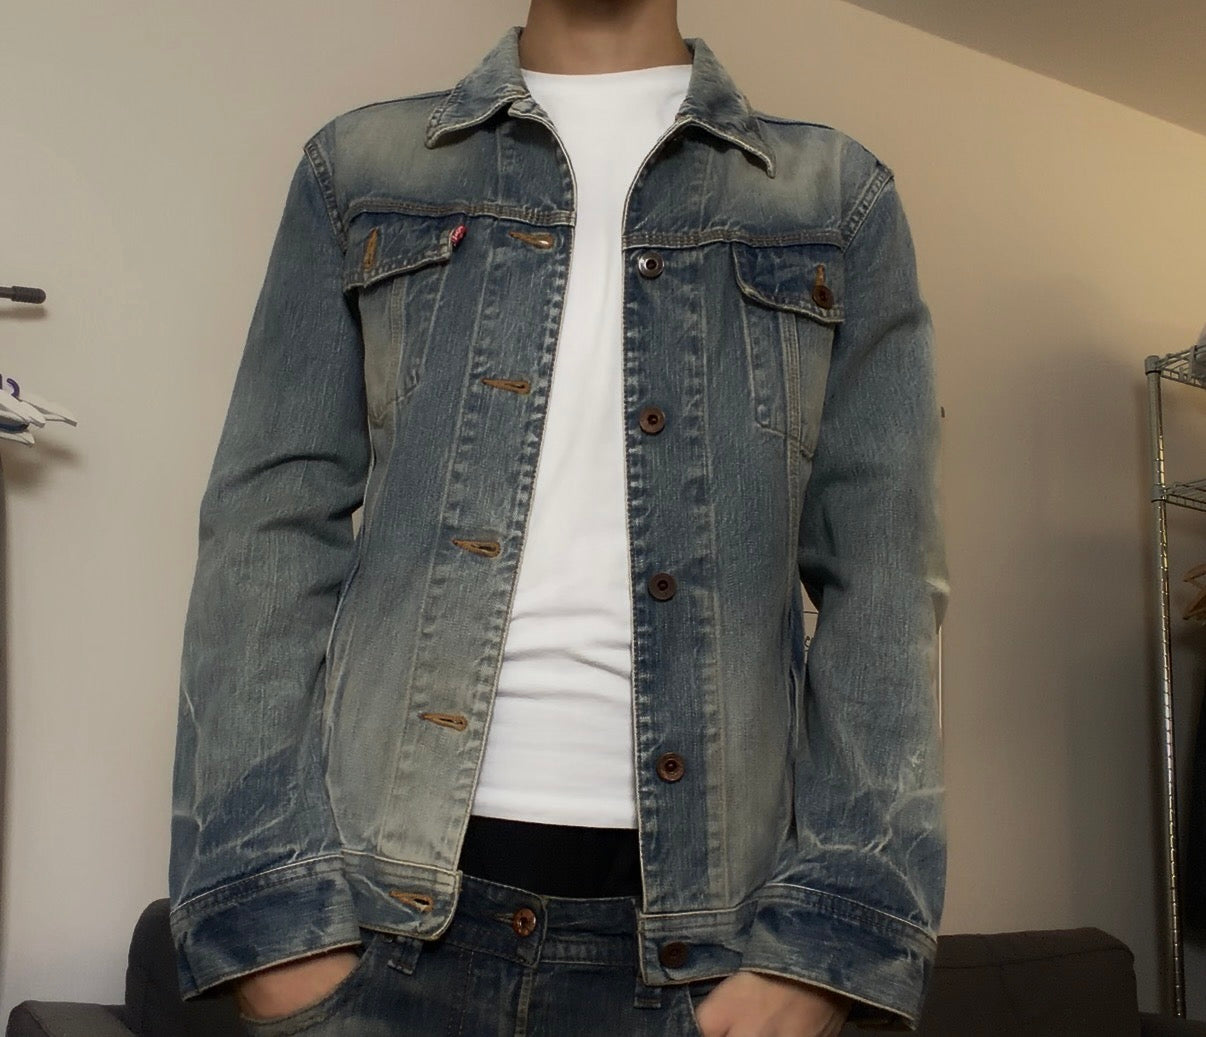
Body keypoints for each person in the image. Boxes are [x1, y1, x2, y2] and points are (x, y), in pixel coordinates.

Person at [168, 0, 949, 1033]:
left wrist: (825, 953)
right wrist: (269, 922)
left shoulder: (836, 199)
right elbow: (264, 528)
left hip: (708, 958)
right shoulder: (360, 170)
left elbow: (886, 581)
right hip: (381, 925)